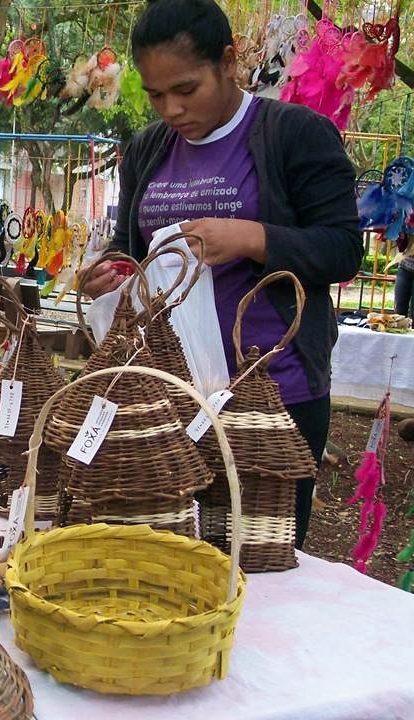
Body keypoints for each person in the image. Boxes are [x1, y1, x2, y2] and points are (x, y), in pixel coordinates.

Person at [81, 0, 363, 549]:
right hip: (168, 394)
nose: (171, 109)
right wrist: (112, 269)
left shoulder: (295, 135)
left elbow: (343, 248)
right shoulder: (148, 149)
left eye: (186, 90)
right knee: (165, 550)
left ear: (229, 62)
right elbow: (132, 246)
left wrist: (252, 238)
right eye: (156, 95)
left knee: (257, 563)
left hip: (269, 396)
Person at [395, 231, 414, 318]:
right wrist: (401, 235)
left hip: (405, 267)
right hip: (405, 266)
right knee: (399, 311)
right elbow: (401, 247)